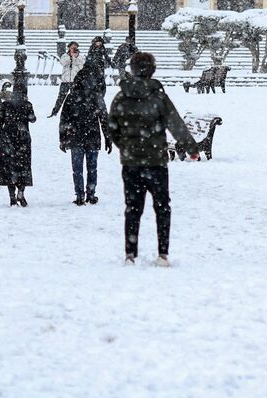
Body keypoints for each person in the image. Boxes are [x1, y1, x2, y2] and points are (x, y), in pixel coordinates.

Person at [105, 51, 197, 265]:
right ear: (152, 70)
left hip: (131, 162)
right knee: (162, 207)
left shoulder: (121, 96)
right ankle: (162, 253)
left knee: (132, 208)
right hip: (156, 161)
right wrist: (190, 147)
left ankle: (130, 253)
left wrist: (126, 146)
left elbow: (113, 128)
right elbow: (175, 123)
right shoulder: (158, 97)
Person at [59, 38, 111, 205]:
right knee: (92, 167)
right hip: (92, 135)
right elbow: (104, 118)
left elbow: (64, 119)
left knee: (77, 169)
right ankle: (91, 193)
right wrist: (108, 138)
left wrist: (62, 138)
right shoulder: (96, 97)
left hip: (75, 135)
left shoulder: (72, 96)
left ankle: (80, 195)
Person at [0, 86, 35, 207]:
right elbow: (32, 119)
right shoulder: (27, 105)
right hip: (23, 139)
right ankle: (21, 194)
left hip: (8, 140)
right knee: (23, 168)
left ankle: (12, 196)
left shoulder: (6, 105)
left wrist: (0, 137)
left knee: (9, 168)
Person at [51, 41, 83, 118]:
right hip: (65, 80)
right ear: (69, 48)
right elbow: (62, 62)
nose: (73, 49)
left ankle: (76, 113)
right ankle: (55, 112)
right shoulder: (65, 56)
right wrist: (70, 57)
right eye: (72, 47)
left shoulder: (80, 56)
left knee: (76, 98)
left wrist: (75, 57)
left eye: (75, 47)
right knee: (60, 97)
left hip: (75, 81)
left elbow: (82, 65)